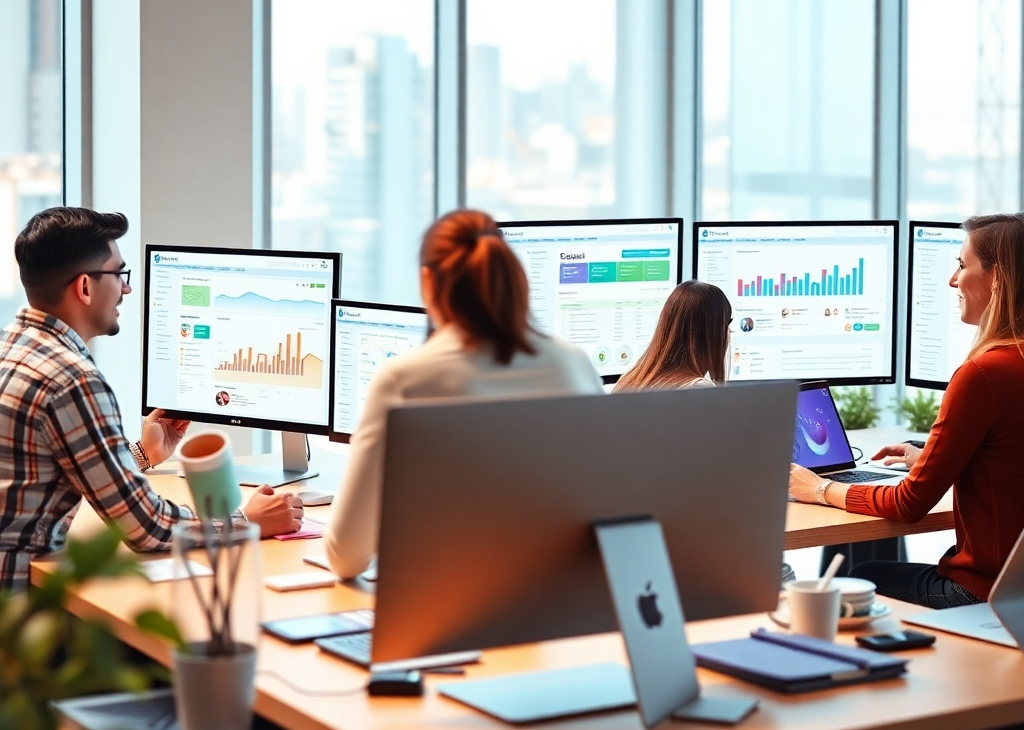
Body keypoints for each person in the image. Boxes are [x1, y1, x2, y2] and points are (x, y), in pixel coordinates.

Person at [0, 207, 303, 591]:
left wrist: (143, 453)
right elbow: (148, 529)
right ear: (85, 288)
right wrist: (246, 521)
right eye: (120, 275)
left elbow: (53, 461)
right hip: (16, 613)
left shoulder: (14, 344)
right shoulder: (73, 379)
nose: (126, 289)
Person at [323, 209, 603, 578]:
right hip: (564, 608)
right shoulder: (574, 363)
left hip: (448, 612)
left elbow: (347, 556)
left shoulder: (405, 379)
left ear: (428, 282)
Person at [789, 213, 1024, 608]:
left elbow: (908, 504)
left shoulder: (983, 374)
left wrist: (819, 488)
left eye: (963, 266)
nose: (953, 280)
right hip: (1016, 590)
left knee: (860, 579)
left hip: (988, 594)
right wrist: (939, 461)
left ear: (997, 278)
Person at [612, 280, 731, 392]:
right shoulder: (700, 389)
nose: (729, 332)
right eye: (727, 323)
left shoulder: (628, 381)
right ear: (713, 333)